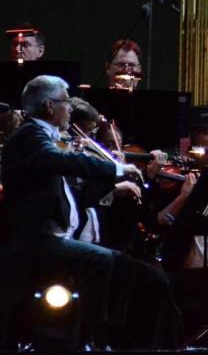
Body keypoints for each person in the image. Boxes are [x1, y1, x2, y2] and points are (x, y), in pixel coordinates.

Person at [0, 75, 141, 349]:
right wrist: (116, 168)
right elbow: (62, 161)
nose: (70, 110)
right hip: (32, 241)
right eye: (66, 102)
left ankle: (107, 333)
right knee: (100, 260)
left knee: (123, 264)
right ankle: (92, 339)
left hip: (53, 236)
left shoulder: (46, 137)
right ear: (50, 107)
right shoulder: (30, 136)